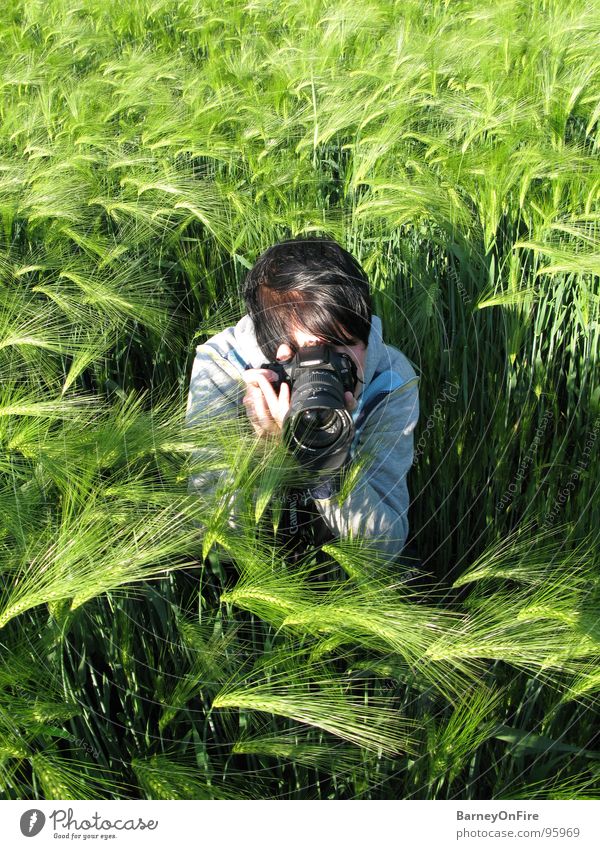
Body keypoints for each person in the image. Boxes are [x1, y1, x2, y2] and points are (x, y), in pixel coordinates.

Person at [185, 236, 420, 564]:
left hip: (344, 578)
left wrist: (326, 464)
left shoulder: (389, 379)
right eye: (305, 354)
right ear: (275, 353)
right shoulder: (224, 368)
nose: (326, 370)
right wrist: (264, 451)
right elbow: (214, 545)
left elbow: (384, 550)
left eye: (343, 347)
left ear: (365, 331)